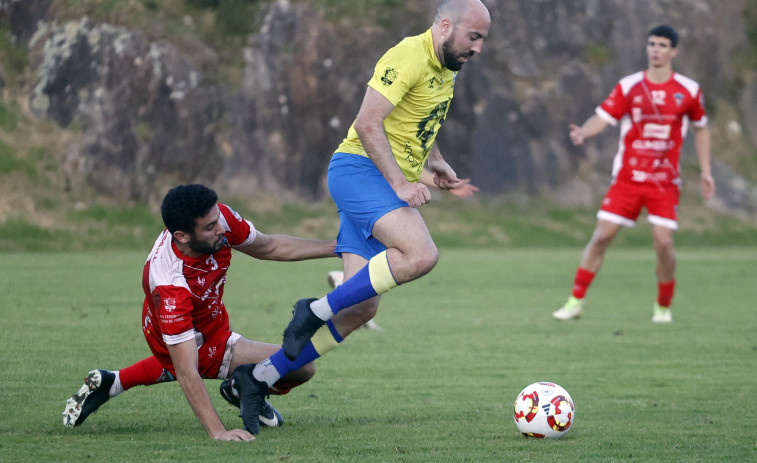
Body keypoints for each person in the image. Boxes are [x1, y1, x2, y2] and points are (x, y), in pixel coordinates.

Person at [221, 0, 491, 433]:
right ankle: (314, 309)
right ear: (445, 25)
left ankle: (259, 377)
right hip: (359, 172)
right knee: (421, 255)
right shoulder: (407, 56)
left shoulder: (448, 68)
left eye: (482, 40)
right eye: (473, 37)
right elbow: (368, 124)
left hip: (379, 180)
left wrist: (434, 162)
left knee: (362, 306)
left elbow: (424, 121)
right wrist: (402, 185)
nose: (478, 48)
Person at [62, 184, 338, 440]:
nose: (220, 228)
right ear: (182, 236)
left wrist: (338, 247)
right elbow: (186, 372)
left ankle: (114, 382)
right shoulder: (170, 284)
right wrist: (219, 433)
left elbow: (269, 246)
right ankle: (246, 387)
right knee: (302, 365)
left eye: (218, 218)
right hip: (183, 331)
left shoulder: (219, 220)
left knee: (289, 362)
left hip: (212, 322)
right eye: (209, 227)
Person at [552, 25, 715, 323]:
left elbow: (702, 129)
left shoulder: (688, 91)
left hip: (664, 182)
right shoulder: (630, 86)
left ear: (673, 52)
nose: (656, 49)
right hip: (627, 179)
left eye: (663, 45)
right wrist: (584, 132)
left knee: (664, 242)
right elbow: (603, 117)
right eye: (652, 43)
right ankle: (574, 302)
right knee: (602, 236)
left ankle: (663, 307)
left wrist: (706, 171)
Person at [325, 169, 480, 331]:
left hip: (356, 185)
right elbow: (401, 161)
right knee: (404, 253)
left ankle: (349, 288)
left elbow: (406, 162)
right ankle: (345, 289)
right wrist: (437, 179)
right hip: (369, 190)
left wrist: (440, 181)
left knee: (376, 254)